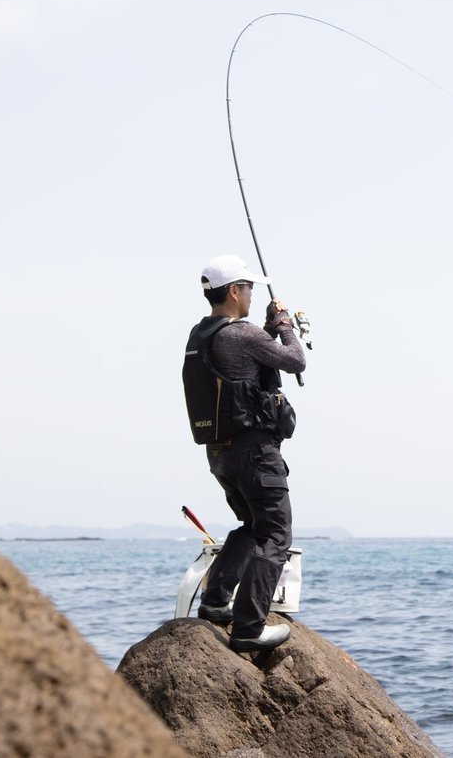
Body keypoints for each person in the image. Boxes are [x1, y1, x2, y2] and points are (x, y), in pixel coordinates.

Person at [181, 254, 306, 652]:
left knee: (252, 526)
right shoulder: (243, 333)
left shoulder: (202, 335)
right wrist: (285, 327)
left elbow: (246, 365)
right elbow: (295, 359)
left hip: (220, 452)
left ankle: (216, 602)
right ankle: (249, 629)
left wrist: (269, 329)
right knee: (274, 533)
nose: (251, 294)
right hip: (254, 452)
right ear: (234, 291)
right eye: (248, 287)